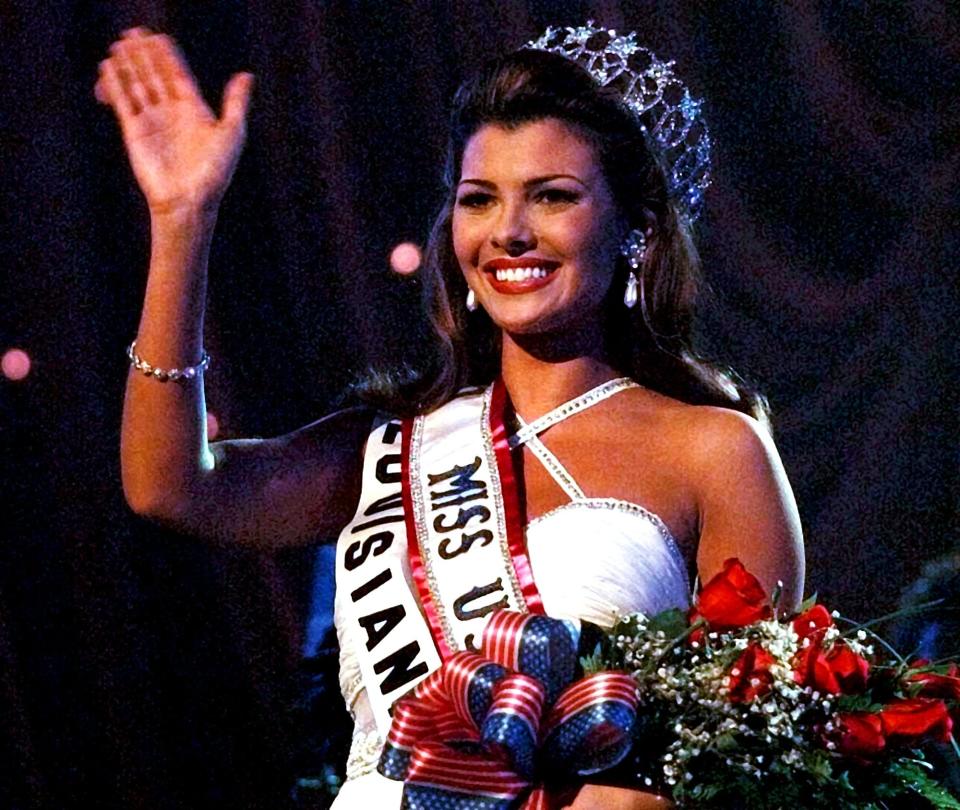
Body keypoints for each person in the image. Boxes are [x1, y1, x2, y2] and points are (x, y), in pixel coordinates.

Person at [97, 22, 804, 809]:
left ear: (634, 229)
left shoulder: (713, 449)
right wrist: (181, 223)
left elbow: (760, 751)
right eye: (480, 200)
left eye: (552, 196)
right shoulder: (385, 444)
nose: (508, 231)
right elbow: (168, 486)